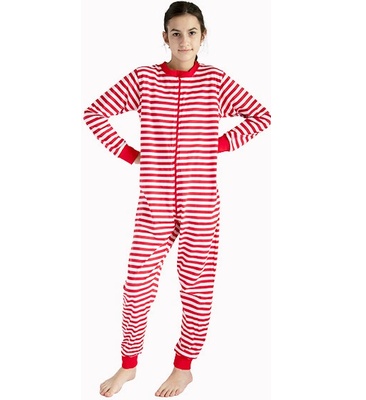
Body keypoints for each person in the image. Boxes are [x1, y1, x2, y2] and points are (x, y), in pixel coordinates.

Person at [83, 1, 271, 397]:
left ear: (203, 36)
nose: (184, 41)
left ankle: (183, 368)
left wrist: (218, 143)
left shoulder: (215, 81)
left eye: (191, 33)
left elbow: (260, 116)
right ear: (165, 37)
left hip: (200, 203)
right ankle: (129, 365)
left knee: (196, 288)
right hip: (154, 203)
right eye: (176, 33)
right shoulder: (144, 79)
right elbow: (94, 113)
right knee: (136, 286)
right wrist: (130, 153)